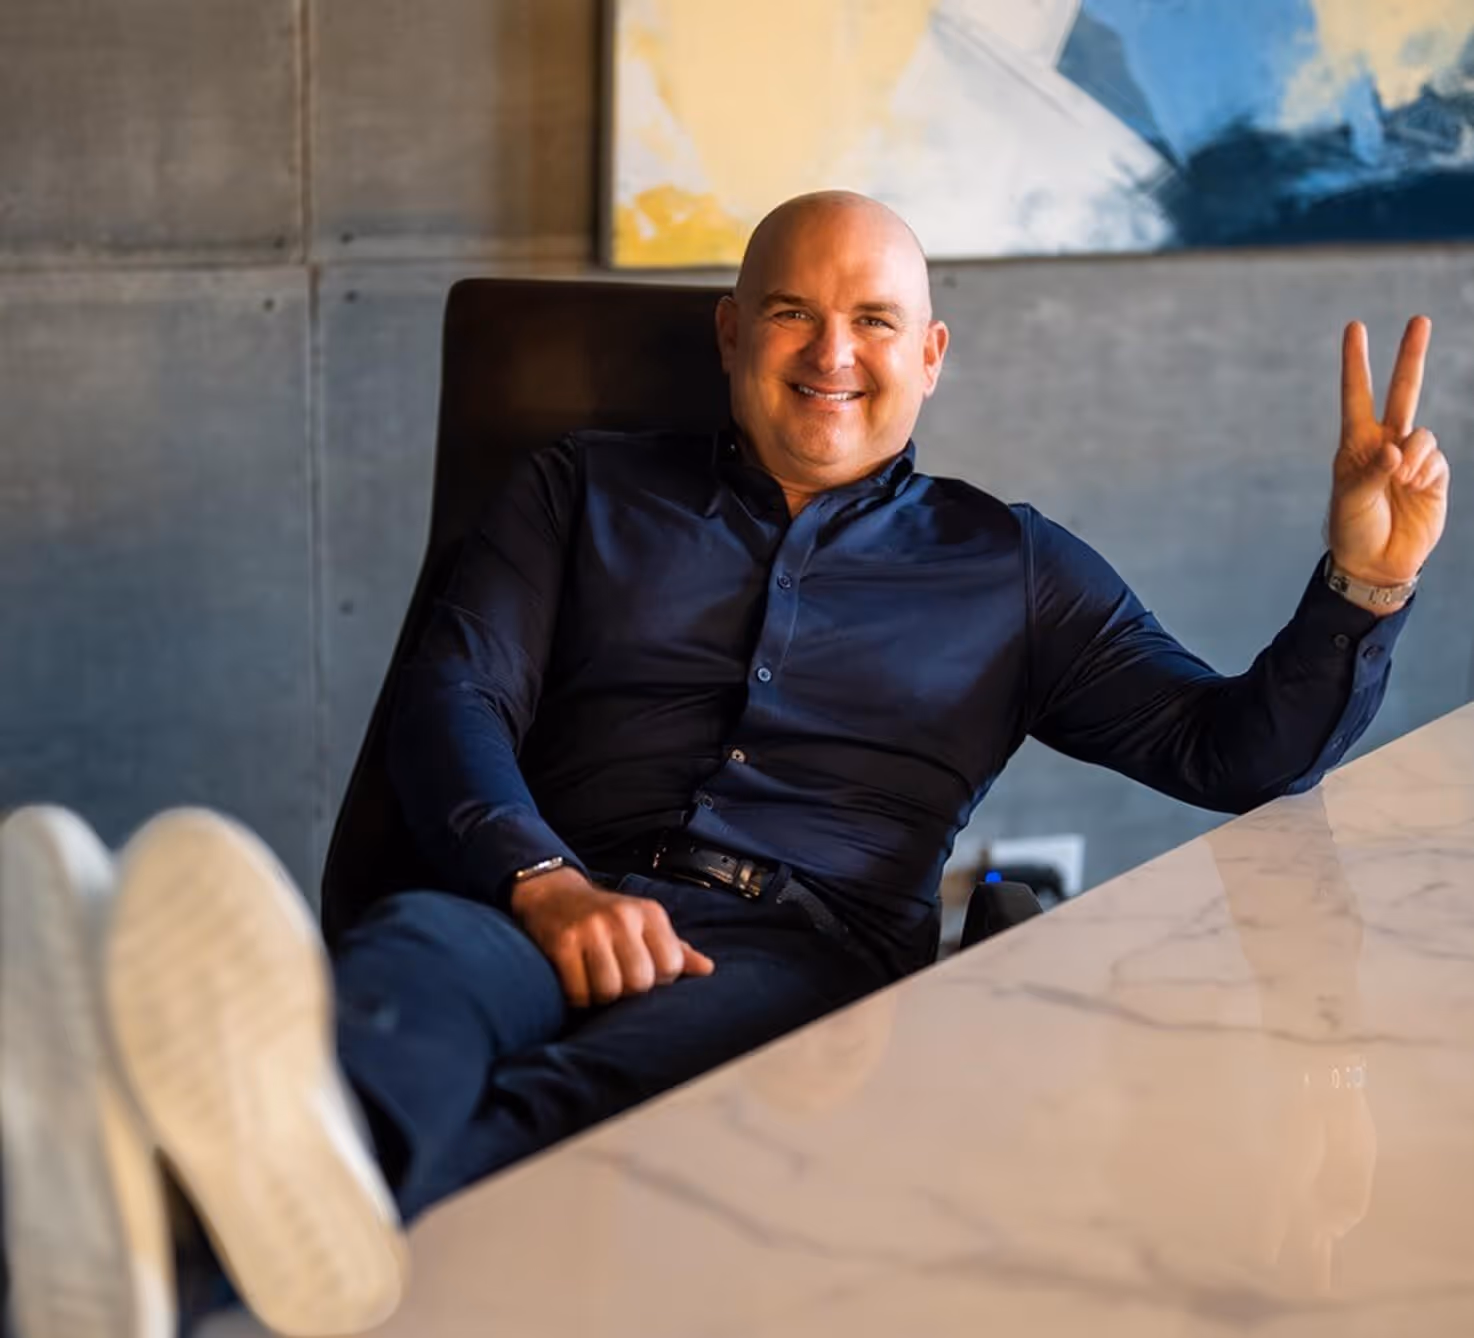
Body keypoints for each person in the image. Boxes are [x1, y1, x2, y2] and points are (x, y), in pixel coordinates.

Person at [0, 191, 1449, 1338]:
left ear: (930, 355)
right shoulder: (581, 488)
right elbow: (454, 692)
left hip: (797, 959)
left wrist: (1358, 586)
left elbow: (1231, 752)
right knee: (412, 969)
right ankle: (192, 1182)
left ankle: (161, 1245)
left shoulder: (1010, 568)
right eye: (790, 313)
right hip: (547, 895)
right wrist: (543, 882)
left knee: (594, 1094)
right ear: (727, 331)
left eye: (875, 319)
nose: (832, 353)